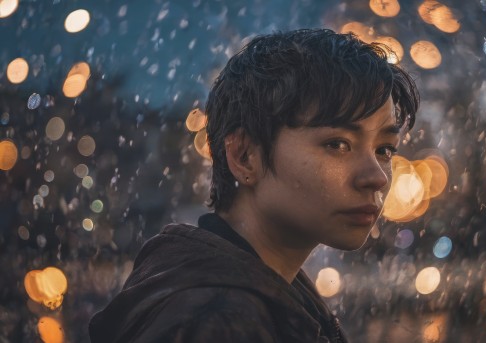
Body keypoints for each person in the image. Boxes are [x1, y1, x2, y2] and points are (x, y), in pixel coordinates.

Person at [88, 28, 419, 342]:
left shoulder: (247, 294)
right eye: (338, 144)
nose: (376, 177)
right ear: (245, 156)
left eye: (384, 150)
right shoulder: (220, 322)